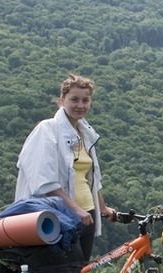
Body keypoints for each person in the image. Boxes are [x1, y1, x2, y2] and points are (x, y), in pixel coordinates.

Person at [15, 74, 116, 263]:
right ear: (62, 101)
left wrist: (102, 207)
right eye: (74, 99)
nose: (80, 105)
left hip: (87, 215)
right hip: (62, 217)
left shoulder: (85, 134)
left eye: (85, 100)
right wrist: (76, 209)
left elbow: (90, 177)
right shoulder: (47, 130)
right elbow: (46, 181)